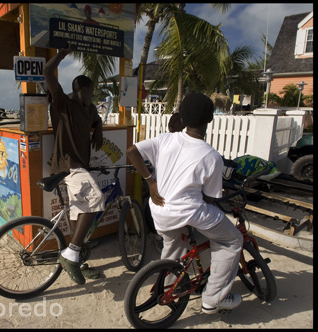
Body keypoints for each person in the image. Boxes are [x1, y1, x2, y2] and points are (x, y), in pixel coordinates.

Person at [126, 92, 243, 314]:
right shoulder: (211, 156)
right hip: (188, 212)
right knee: (231, 241)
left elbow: (131, 151)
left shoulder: (165, 139)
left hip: (159, 210)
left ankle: (169, 286)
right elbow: (210, 198)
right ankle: (213, 299)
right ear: (210, 119)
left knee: (174, 245)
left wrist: (151, 182)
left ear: (184, 118)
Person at [44, 45, 104, 285]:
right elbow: (48, 73)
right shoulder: (63, 104)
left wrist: (98, 129)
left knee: (81, 215)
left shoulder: (88, 109)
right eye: (91, 92)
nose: (93, 96)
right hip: (68, 167)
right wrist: (61, 55)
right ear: (83, 89)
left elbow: (96, 117)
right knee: (96, 199)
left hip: (80, 168)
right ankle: (70, 254)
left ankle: (76, 257)